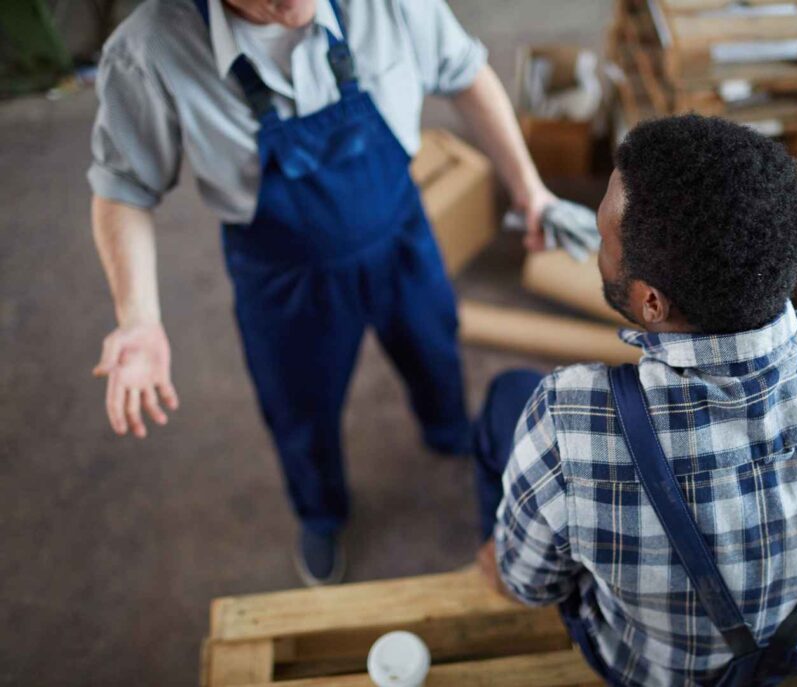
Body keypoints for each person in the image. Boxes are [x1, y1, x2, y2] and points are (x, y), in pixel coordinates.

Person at [88, 0, 557, 585]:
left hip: (400, 238)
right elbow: (123, 187)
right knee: (298, 407)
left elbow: (465, 73)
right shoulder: (150, 49)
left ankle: (449, 434)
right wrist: (137, 317)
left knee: (435, 347)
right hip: (284, 276)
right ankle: (321, 513)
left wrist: (529, 188)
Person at [473, 115, 797, 686]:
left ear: (651, 303)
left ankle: (495, 541)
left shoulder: (569, 423)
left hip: (658, 672)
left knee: (506, 398)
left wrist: (513, 564)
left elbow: (533, 587)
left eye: (602, 239)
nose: (596, 250)